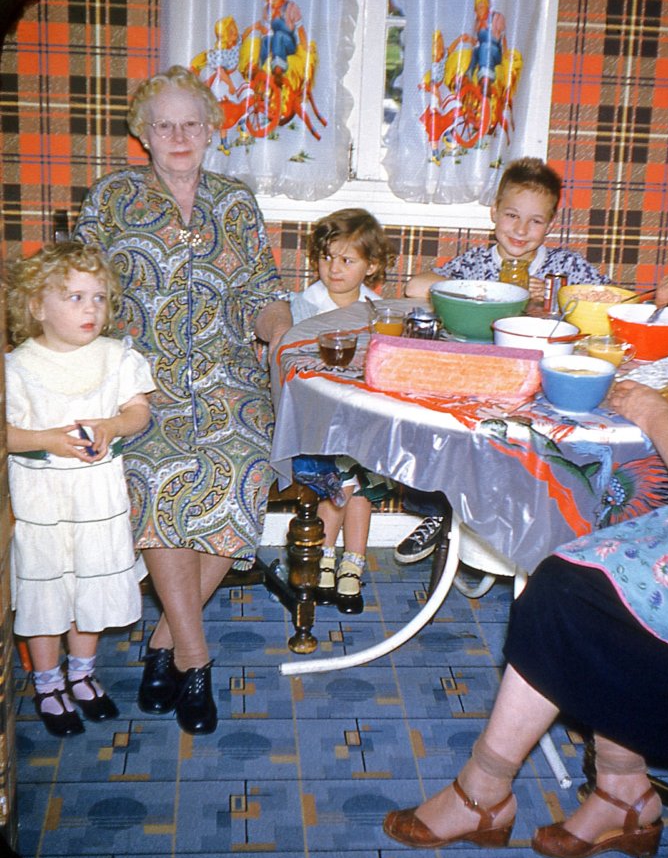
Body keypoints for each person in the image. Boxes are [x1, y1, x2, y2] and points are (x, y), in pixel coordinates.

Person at [384, 97, 668, 858]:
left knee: (562, 592)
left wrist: (652, 412)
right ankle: (623, 792)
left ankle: (485, 791)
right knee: (600, 549)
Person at [74, 65, 290, 736]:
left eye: (190, 123)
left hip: (229, 380)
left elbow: (263, 293)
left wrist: (283, 340)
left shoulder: (235, 202)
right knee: (161, 474)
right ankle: (195, 659)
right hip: (140, 384)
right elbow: (79, 293)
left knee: (243, 471)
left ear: (210, 130)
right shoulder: (113, 199)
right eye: (163, 124)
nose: (178, 135)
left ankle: (164, 641)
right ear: (143, 133)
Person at [399, 156, 612, 565]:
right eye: (512, 215)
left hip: (544, 386)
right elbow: (415, 285)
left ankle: (529, 532)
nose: (520, 229)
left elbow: (607, 304)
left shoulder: (564, 267)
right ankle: (444, 511)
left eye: (535, 221)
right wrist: (491, 290)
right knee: (448, 425)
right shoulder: (479, 263)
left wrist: (557, 298)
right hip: (485, 379)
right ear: (494, 212)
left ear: (550, 224)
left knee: (546, 447)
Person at [5, 243, 154, 738]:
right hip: (42, 501)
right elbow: (6, 434)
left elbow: (138, 412)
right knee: (46, 589)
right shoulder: (17, 367)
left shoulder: (116, 357)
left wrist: (112, 426)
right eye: (74, 297)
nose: (91, 308)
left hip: (97, 498)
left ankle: (83, 674)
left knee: (91, 583)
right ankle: (48, 682)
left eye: (100, 297)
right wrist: (46, 439)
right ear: (36, 306)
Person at [287, 208, 395, 614]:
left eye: (347, 260)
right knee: (343, 479)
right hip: (315, 422)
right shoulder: (304, 307)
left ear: (372, 266)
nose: (334, 269)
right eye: (326, 257)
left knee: (362, 481)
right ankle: (325, 558)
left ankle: (352, 563)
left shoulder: (378, 311)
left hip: (361, 419)